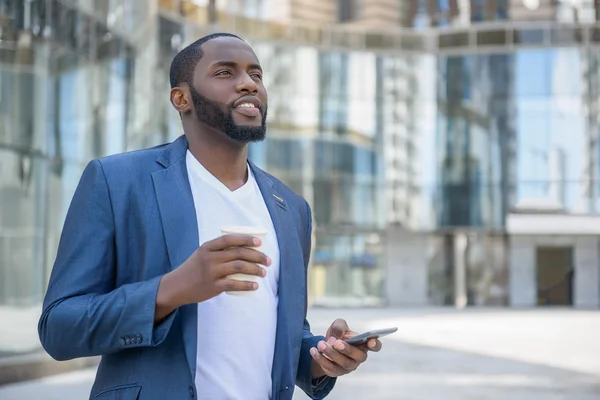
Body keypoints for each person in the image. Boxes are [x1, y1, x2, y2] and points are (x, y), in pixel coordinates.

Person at [38, 33, 382, 400]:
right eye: (224, 72)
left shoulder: (292, 208)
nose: (249, 83)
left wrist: (321, 357)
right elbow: (60, 327)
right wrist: (169, 291)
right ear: (181, 98)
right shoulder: (117, 182)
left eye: (256, 75)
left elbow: (283, 336)